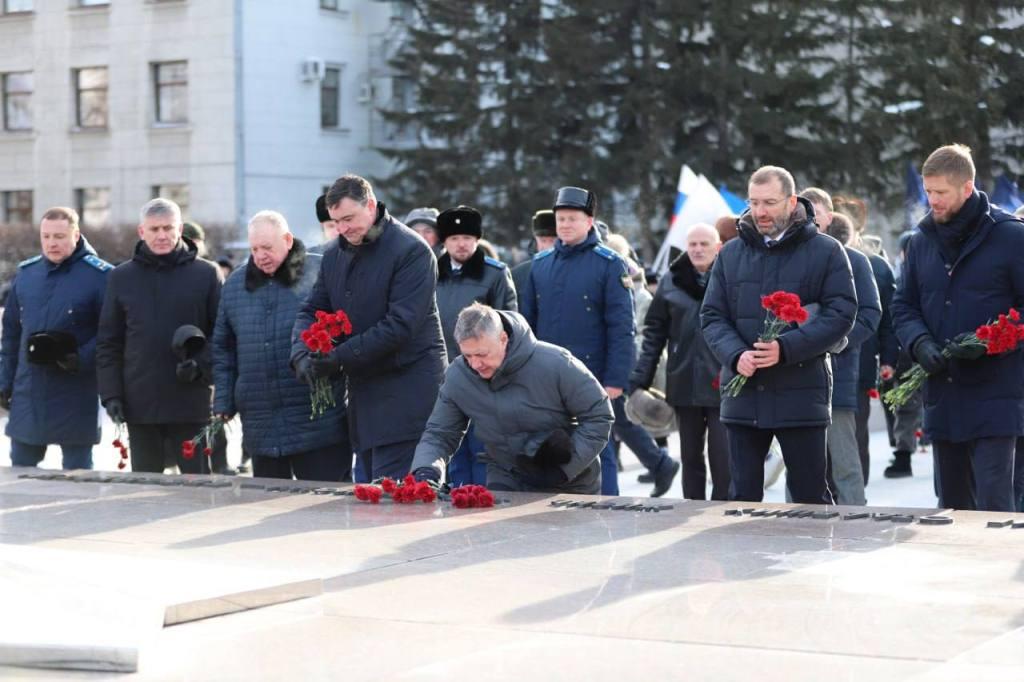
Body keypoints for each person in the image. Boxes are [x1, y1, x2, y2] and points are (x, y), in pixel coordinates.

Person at [701, 166, 857, 504]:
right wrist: (735, 354)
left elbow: (841, 314)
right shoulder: (730, 254)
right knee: (741, 500)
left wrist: (785, 349)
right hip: (744, 396)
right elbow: (712, 316)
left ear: (790, 201)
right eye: (753, 202)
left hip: (801, 394)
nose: (759, 212)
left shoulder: (826, 251)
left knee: (809, 498)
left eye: (769, 202)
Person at [891, 144, 1024, 512]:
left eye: (941, 193)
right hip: (943, 393)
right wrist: (919, 343)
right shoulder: (921, 242)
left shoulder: (1011, 237)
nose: (931, 201)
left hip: (997, 394)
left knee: (995, 505)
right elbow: (903, 305)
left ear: (967, 188)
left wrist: (992, 342)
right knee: (951, 507)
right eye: (928, 191)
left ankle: (995, 570)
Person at [291, 174, 447, 480]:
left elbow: (400, 325)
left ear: (371, 205)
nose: (343, 229)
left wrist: (338, 358)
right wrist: (302, 354)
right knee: (369, 497)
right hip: (364, 398)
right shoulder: (335, 254)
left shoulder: (411, 251)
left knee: (394, 500)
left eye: (349, 218)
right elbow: (312, 309)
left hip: (407, 394)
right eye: (336, 222)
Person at [520, 186, 647, 496]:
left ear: (589, 222)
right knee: (548, 447)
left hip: (594, 379)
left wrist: (616, 381)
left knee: (599, 451)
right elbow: (528, 325)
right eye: (560, 219)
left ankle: (609, 511)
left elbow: (621, 328)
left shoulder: (609, 264)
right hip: (546, 379)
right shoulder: (540, 265)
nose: (564, 225)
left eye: (572, 219)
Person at [410, 303, 613, 493]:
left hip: (569, 479)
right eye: (468, 356)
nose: (475, 364)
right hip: (507, 476)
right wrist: (426, 469)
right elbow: (440, 433)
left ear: (503, 339)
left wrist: (564, 469)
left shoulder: (556, 363)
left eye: (482, 354)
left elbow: (599, 415)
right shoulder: (459, 376)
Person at [213, 211, 351, 481]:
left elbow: (347, 326)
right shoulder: (235, 287)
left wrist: (332, 361)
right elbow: (222, 347)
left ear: (287, 240)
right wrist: (224, 400)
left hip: (317, 421)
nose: (260, 255)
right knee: (267, 506)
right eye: (254, 249)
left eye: (267, 247)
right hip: (261, 423)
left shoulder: (321, 270)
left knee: (325, 506)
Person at [96, 198, 222, 474]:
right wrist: (111, 395)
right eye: (154, 229)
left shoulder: (206, 274)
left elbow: (222, 336)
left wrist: (201, 365)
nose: (162, 235)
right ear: (142, 232)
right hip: (140, 404)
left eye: (168, 228)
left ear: (180, 230)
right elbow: (109, 342)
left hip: (191, 402)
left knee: (197, 488)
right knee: (144, 491)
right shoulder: (122, 277)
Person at [0, 207, 111, 470]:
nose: (52, 243)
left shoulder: (100, 277)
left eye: (60, 236)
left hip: (76, 388)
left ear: (76, 235)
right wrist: (3, 381)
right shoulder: (27, 275)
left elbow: (110, 333)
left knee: (78, 473)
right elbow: (12, 335)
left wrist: (79, 359)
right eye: (46, 236)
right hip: (30, 390)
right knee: (19, 473)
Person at [632, 223, 729, 500]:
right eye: (693, 244)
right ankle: (692, 507)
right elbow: (654, 333)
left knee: (723, 456)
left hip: (723, 380)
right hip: (684, 380)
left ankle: (722, 508)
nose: (698, 249)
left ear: (717, 247)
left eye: (704, 244)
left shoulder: (730, 277)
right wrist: (642, 379)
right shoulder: (671, 280)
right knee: (690, 456)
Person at [800, 190, 881, 505]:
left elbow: (871, 314)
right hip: (797, 380)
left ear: (829, 218)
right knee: (802, 466)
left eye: (815, 213)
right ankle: (798, 531)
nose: (809, 219)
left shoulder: (855, 260)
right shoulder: (790, 257)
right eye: (803, 212)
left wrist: (840, 341)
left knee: (845, 463)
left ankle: (855, 526)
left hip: (840, 376)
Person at [434, 205, 518, 486]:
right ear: (444, 241)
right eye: (455, 237)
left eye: (468, 238)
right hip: (444, 372)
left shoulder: (494, 274)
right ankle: (457, 493)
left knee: (483, 445)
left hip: (484, 372)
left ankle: (484, 495)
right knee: (451, 441)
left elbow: (511, 323)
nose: (462, 244)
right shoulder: (431, 273)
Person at [604, 232, 680, 497]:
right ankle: (659, 463)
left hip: (625, 361)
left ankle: (660, 463)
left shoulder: (633, 290)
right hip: (618, 360)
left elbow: (637, 332)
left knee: (621, 419)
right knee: (617, 420)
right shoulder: (626, 284)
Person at [511, 210, 557, 296]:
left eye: (552, 241)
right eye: (543, 241)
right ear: (536, 241)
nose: (547, 246)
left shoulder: (573, 271)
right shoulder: (518, 274)